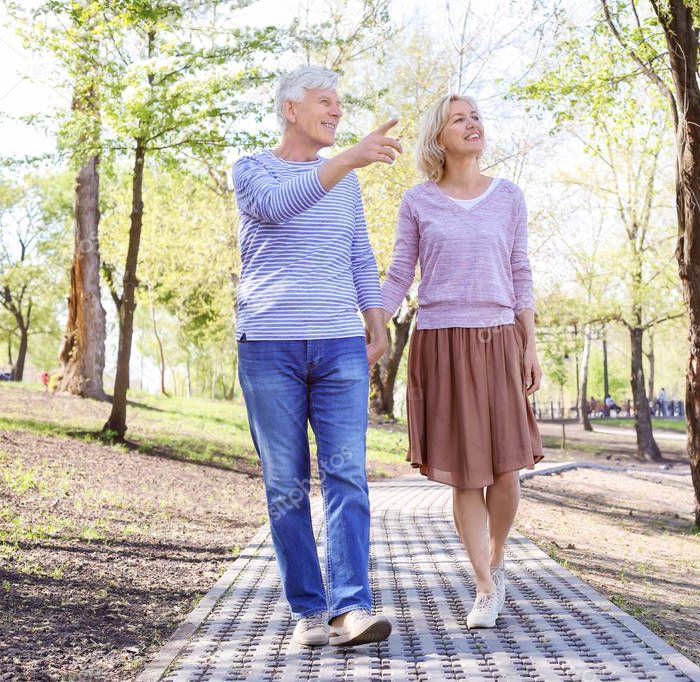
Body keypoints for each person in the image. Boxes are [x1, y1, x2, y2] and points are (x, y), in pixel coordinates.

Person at [231, 66, 401, 648]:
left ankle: (351, 608)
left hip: (338, 345)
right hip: (269, 345)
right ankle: (309, 610)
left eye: (340, 103)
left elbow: (357, 248)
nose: (336, 111)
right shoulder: (252, 169)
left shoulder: (344, 179)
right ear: (290, 109)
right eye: (325, 102)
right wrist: (350, 158)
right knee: (285, 486)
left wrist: (375, 315)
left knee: (348, 475)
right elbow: (279, 206)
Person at [379, 93, 543, 630]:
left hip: (498, 340)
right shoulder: (418, 202)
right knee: (466, 477)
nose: (472, 125)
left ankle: (498, 556)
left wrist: (531, 344)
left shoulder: (509, 198)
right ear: (439, 138)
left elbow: (520, 273)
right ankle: (483, 584)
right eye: (459, 119)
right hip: (441, 341)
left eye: (476, 117)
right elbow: (401, 271)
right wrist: (375, 317)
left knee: (505, 471)